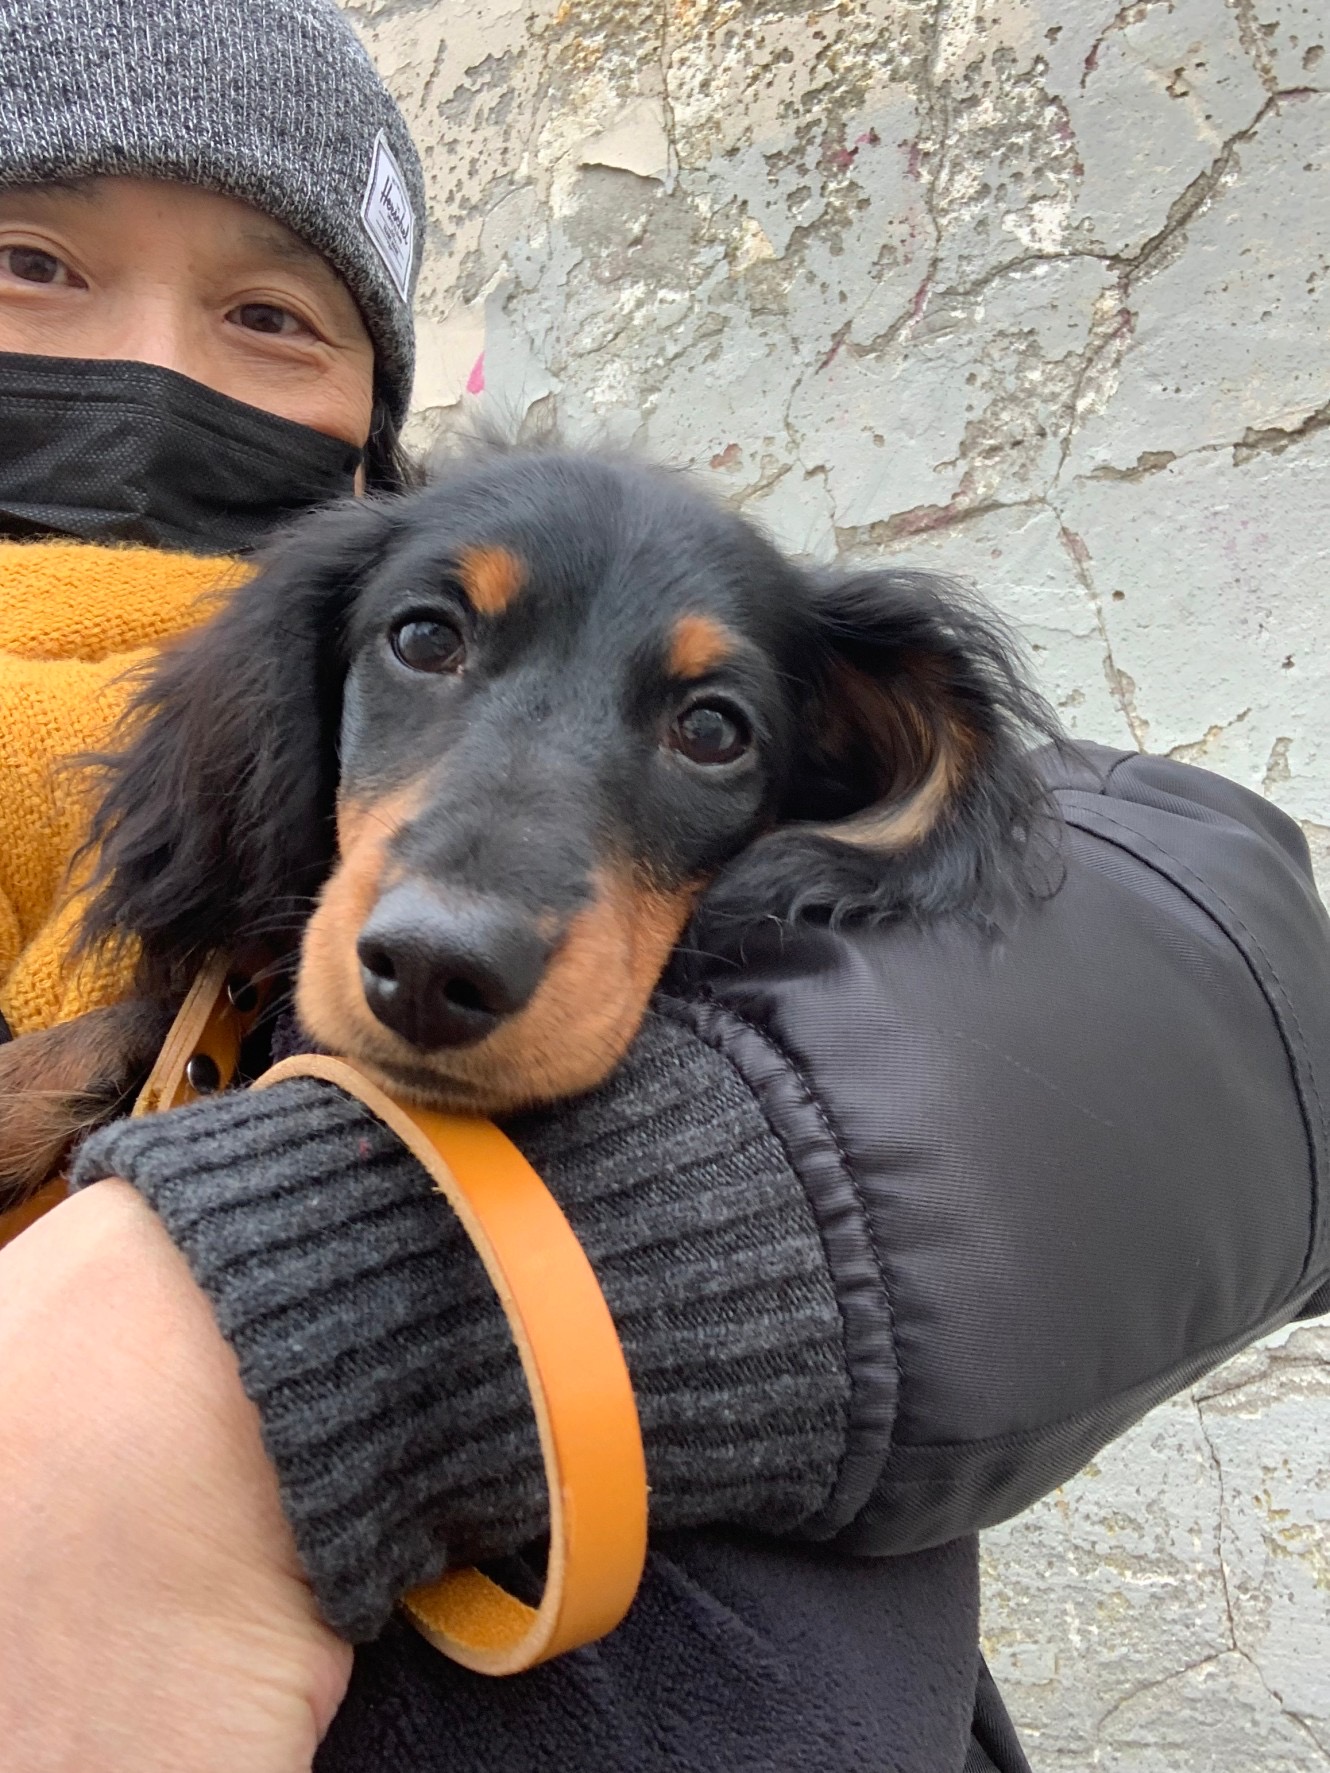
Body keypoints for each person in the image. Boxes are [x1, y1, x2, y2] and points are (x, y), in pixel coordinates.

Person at [0, 4, 1327, 1771]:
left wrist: (238, 1298)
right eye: (29, 262)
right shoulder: (245, 744)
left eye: (268, 313)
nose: (154, 364)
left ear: (363, 410)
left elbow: (1218, 954)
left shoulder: (822, 861)